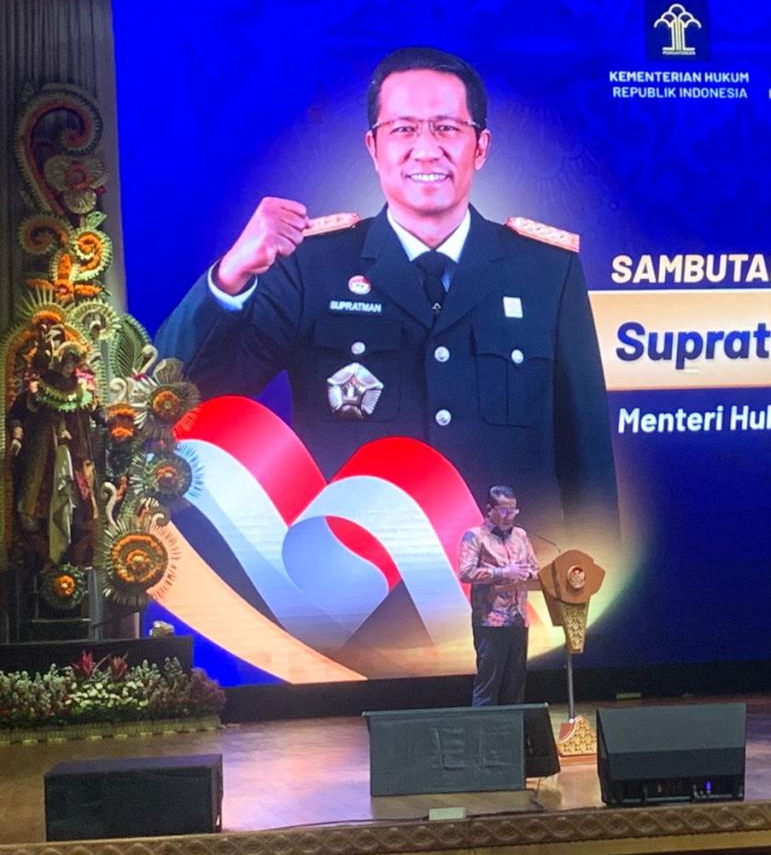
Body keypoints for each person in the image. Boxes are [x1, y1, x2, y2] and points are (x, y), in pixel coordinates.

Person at [154, 46, 619, 549]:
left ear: (480, 148)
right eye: (403, 129)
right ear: (373, 147)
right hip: (357, 580)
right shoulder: (311, 267)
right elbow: (179, 397)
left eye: (447, 128)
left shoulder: (546, 271)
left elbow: (587, 460)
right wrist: (231, 274)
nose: (426, 149)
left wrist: (589, 582)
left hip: (507, 580)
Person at [457, 485, 539, 705]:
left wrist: (529, 574)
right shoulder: (475, 536)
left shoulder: (520, 535)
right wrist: (502, 572)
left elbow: (535, 568)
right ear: (489, 509)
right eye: (503, 511)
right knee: (489, 684)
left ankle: (513, 727)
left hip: (518, 619)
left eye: (513, 511)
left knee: (515, 684)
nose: (509, 516)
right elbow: (465, 573)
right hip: (491, 621)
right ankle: (484, 727)